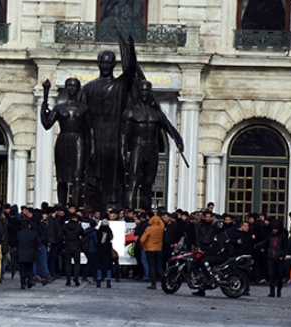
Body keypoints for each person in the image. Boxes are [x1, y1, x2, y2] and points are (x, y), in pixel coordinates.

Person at [80, 34, 137, 210]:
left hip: (114, 136)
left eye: (108, 63)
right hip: (95, 137)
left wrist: (131, 50)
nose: (105, 66)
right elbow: (82, 115)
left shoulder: (119, 86)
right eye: (102, 62)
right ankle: (94, 206)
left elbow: (131, 71)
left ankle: (113, 205)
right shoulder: (88, 88)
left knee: (114, 175)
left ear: (114, 64)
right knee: (94, 175)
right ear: (98, 63)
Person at [121, 80, 184, 210]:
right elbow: (124, 136)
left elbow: (169, 128)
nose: (144, 93)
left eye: (147, 90)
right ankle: (129, 212)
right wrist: (123, 152)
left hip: (152, 149)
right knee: (133, 182)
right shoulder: (131, 112)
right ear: (138, 92)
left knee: (148, 184)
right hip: (138, 148)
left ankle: (146, 211)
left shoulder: (157, 113)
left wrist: (178, 139)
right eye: (142, 90)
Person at [41, 78, 90, 206]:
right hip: (63, 140)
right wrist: (43, 106)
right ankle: (61, 204)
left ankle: (74, 205)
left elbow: (90, 129)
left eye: (74, 86)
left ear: (78, 89)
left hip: (78, 140)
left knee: (77, 177)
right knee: (61, 177)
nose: (71, 88)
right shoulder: (59, 107)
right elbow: (47, 124)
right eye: (69, 86)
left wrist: (92, 147)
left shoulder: (84, 108)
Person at [192, 220, 229, 297]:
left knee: (204, 261)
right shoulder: (217, 235)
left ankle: (211, 278)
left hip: (221, 256)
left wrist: (209, 252)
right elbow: (211, 245)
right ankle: (201, 288)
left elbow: (219, 248)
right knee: (200, 263)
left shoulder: (221, 235)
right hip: (217, 254)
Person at [254, 220, 289, 297]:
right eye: (273, 229)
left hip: (279, 257)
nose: (274, 231)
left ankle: (279, 290)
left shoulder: (283, 236)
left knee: (280, 275)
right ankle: (272, 291)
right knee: (271, 274)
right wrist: (257, 245)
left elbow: (286, 247)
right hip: (270, 256)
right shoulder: (271, 235)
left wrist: (282, 256)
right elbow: (266, 241)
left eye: (275, 229)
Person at [140, 210, 164, 289]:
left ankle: (153, 283)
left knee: (151, 266)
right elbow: (161, 223)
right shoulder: (161, 228)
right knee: (159, 266)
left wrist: (144, 246)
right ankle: (164, 281)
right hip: (159, 249)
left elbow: (142, 240)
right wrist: (157, 217)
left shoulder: (149, 229)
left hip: (150, 249)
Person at [61, 214, 84, 286]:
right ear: (76, 219)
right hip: (76, 246)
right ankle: (76, 277)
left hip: (67, 246)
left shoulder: (65, 226)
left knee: (68, 264)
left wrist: (63, 244)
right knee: (77, 263)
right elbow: (83, 234)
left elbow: (60, 236)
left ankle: (68, 280)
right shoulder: (78, 226)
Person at [17, 219, 39, 289]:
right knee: (30, 268)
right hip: (30, 252)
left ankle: (23, 283)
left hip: (21, 253)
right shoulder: (33, 233)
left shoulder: (19, 233)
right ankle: (30, 280)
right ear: (29, 225)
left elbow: (15, 243)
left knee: (22, 269)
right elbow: (37, 242)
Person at [95, 219, 114, 288]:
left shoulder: (99, 231)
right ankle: (108, 280)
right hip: (107, 249)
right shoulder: (109, 231)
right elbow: (111, 238)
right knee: (108, 266)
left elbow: (97, 239)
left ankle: (99, 279)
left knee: (99, 266)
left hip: (100, 249)